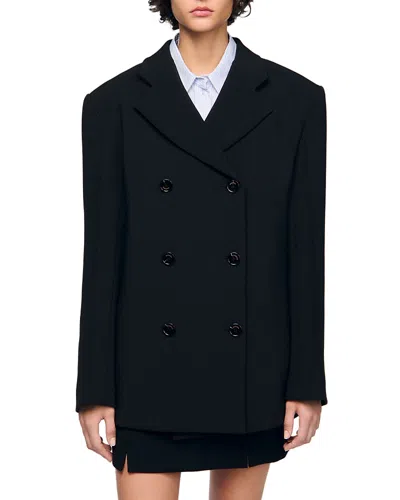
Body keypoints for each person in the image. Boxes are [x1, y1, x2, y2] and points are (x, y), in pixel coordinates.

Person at [75, 1, 328, 498]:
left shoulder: (297, 100)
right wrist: (94, 387)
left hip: (250, 369)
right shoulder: (111, 104)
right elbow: (101, 258)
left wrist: (306, 382)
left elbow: (305, 253)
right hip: (146, 371)